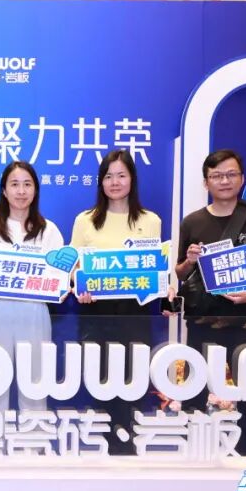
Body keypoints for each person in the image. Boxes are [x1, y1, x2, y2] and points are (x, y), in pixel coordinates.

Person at [175, 149, 246, 463]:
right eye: (217, 175)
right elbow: (180, 273)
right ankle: (195, 455)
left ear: (242, 178)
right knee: (194, 388)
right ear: (206, 182)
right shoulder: (192, 222)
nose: (224, 181)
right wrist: (189, 261)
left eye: (231, 174)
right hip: (203, 320)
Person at [71, 149, 161, 455]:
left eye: (121, 175)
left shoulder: (150, 221)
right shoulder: (85, 220)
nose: (115, 182)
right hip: (95, 311)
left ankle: (128, 444)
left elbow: (156, 269)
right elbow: (73, 266)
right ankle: (106, 443)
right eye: (108, 176)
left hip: (135, 312)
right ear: (100, 182)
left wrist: (165, 286)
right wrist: (79, 284)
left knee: (132, 378)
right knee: (101, 379)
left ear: (132, 179)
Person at [0, 161, 65, 413]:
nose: (21, 191)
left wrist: (61, 289)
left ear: (35, 190)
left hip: (34, 313)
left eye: (27, 184)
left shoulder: (49, 231)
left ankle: (34, 436)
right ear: (4, 190)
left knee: (35, 384)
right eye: (14, 184)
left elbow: (61, 277)